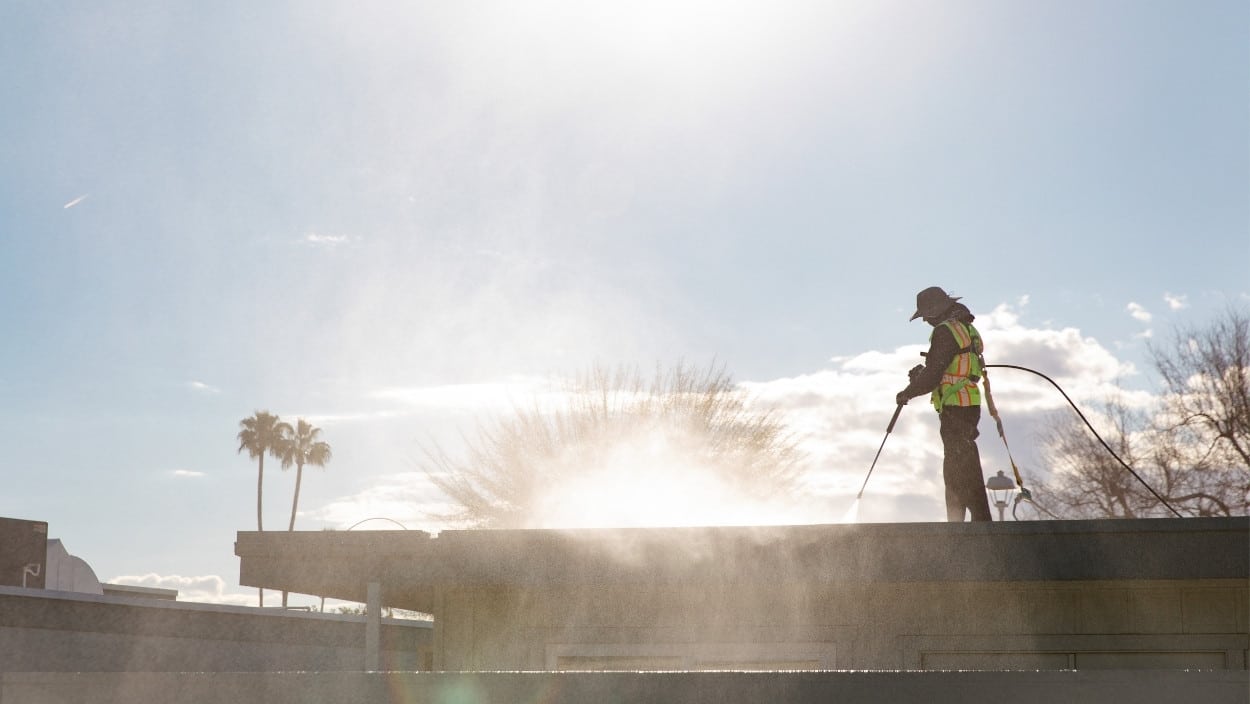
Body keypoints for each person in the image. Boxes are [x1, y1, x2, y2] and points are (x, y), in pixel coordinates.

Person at [895, 286, 992, 522]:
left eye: (925, 316)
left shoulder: (945, 331)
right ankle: (977, 520)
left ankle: (960, 525)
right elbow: (948, 367)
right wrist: (922, 376)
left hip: (956, 406)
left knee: (956, 468)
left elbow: (935, 373)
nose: (925, 321)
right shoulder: (965, 328)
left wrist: (908, 392)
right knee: (965, 463)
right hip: (969, 403)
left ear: (935, 311)